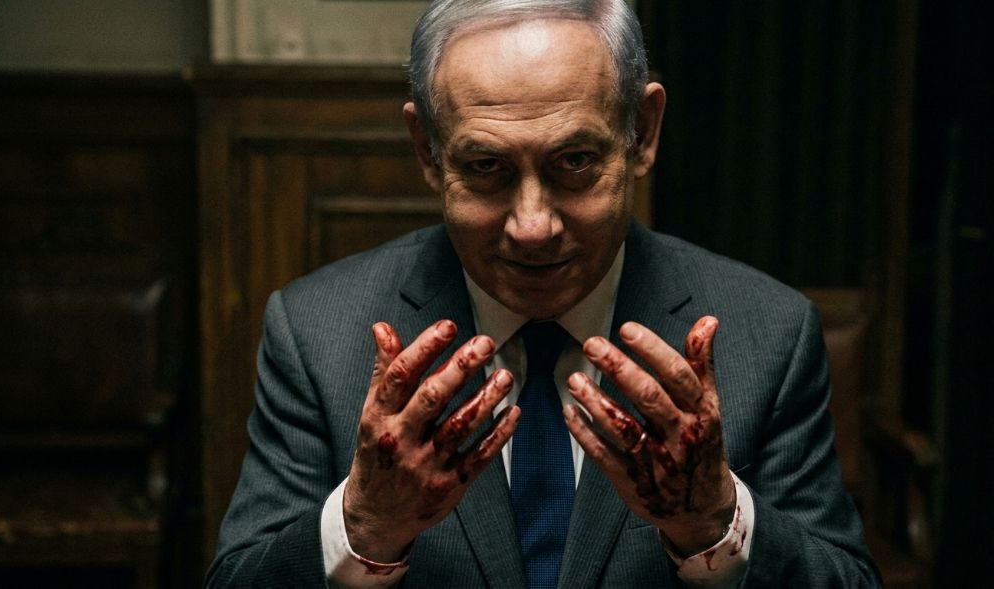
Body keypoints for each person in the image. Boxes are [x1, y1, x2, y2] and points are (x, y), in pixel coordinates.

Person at [207, 0, 880, 587]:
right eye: (486, 168)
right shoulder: (317, 333)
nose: (532, 227)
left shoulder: (769, 332)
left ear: (642, 132)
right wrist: (364, 526)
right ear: (427, 150)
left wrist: (715, 522)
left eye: (575, 163)